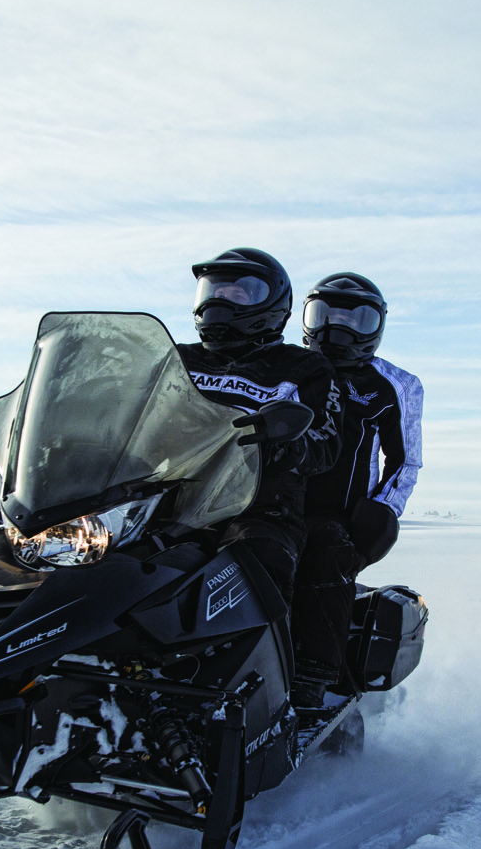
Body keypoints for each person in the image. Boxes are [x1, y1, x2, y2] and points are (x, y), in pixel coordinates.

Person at [175, 248, 340, 604]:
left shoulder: (304, 366)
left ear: (272, 303)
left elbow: (325, 442)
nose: (221, 300)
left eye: (238, 293)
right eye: (215, 291)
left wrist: (285, 441)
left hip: (259, 504)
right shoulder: (177, 359)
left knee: (255, 561)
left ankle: (268, 657)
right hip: (166, 495)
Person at [288, 271, 423, 707]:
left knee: (324, 552)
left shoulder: (392, 384)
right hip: (259, 499)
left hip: (334, 514)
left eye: (355, 319)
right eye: (325, 315)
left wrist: (379, 514)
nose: (337, 329)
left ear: (376, 326)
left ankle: (314, 675)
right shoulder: (284, 367)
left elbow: (405, 459)